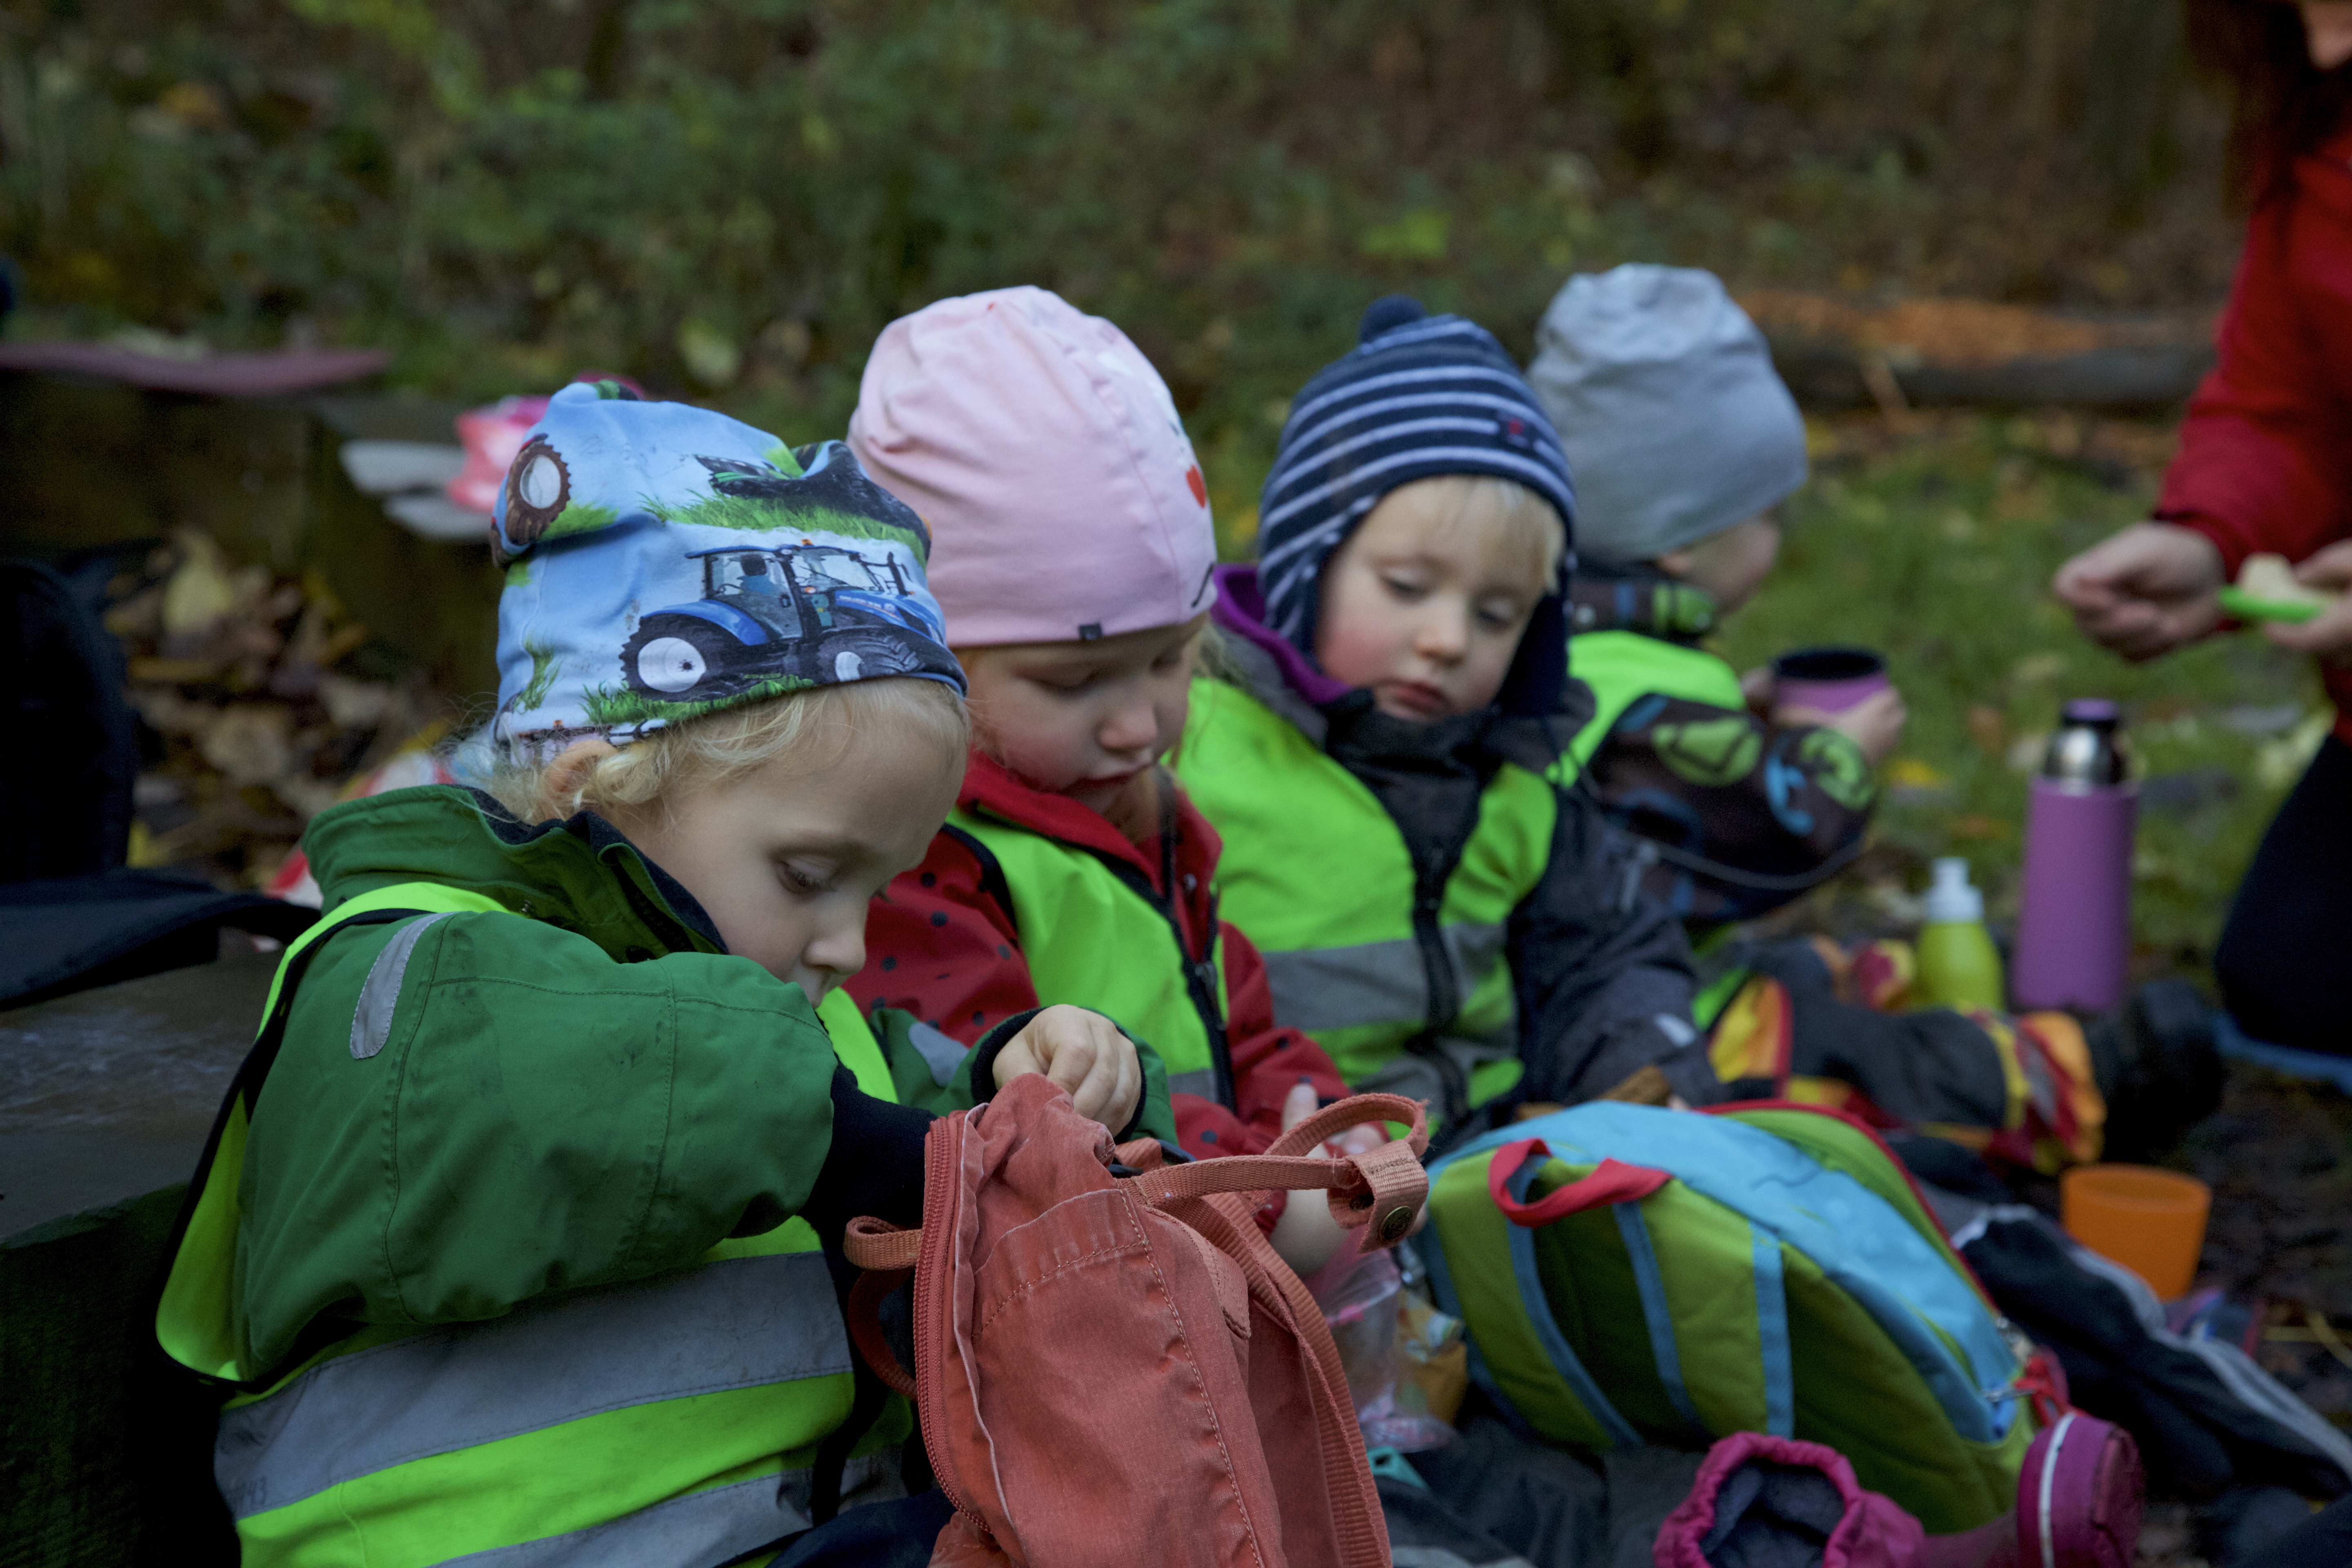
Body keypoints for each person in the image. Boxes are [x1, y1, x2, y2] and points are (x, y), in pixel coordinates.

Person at [154, 383, 1168, 1568]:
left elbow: (923, 1118)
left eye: (874, 889)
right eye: (805, 874)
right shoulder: (408, 974)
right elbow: (568, 1083)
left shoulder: (798, 1020)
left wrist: (1032, 1083)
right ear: (596, 785)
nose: (846, 942)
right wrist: (858, 1148)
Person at [845, 286, 1369, 1274]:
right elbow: (1004, 1117)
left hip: (1211, 1254)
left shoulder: (1144, 816)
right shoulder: (913, 860)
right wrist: (1262, 1188)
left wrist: (1323, 1125)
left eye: (1170, 660)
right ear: (925, 660)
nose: (1140, 723)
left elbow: (1241, 1023)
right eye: (1075, 681)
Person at [1171, 296, 1718, 1132]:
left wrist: (1647, 1068)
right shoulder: (1191, 745)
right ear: (1304, 567)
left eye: (1496, 616)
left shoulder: (1522, 776)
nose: (1448, 640)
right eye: (1406, 589)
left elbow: (1605, 958)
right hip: (1282, 1176)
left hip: (1484, 1157)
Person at [2053, 0, 2352, 1056]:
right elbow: (2288, 406)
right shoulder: (2324, 145)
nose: (2324, 46)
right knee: (2288, 983)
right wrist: (2213, 539)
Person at [1526, 264, 1906, 929]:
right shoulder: (1651, 701)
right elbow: (1777, 838)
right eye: (1765, 516)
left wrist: (1744, 734)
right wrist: (1841, 758)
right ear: (1677, 540)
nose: (1778, 538)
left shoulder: (1544, 628)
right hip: (1629, 1019)